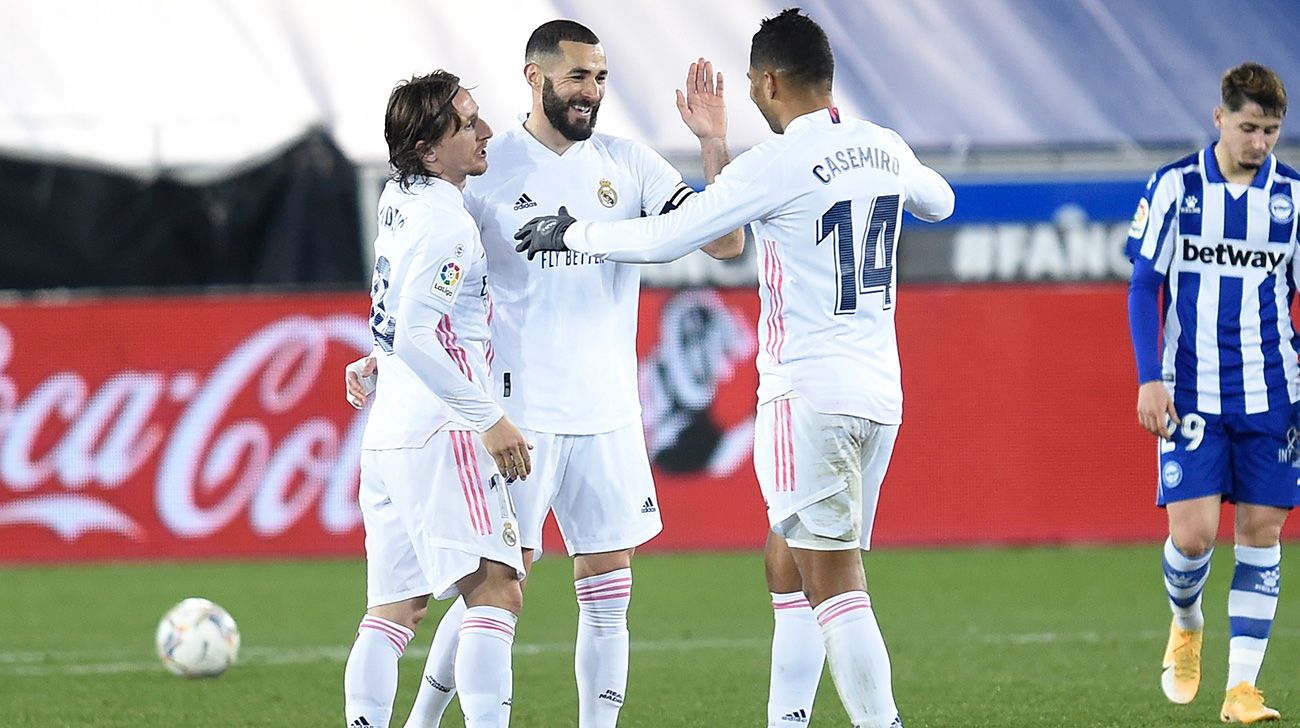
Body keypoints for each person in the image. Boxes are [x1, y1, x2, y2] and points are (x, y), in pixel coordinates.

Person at [514, 9, 954, 728]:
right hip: (880, 396)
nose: (752, 96)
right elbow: (940, 200)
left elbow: (674, 237)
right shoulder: (883, 145)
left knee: (835, 584)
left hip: (806, 395)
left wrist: (573, 232)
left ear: (772, 82)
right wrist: (719, 144)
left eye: (753, 85)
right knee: (787, 561)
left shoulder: (777, 163)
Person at [347, 20, 744, 727]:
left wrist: (714, 145)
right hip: (515, 412)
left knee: (609, 590)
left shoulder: (631, 163)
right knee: (493, 584)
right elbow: (423, 278)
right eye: (577, 78)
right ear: (535, 77)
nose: (591, 92)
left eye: (600, 78)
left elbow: (726, 238)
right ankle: (426, 720)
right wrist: (386, 352)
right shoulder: (484, 167)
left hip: (610, 411)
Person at [342, 70, 532, 728]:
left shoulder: (399, 196)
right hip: (444, 429)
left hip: (390, 432)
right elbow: (421, 331)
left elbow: (401, 314)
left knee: (394, 611)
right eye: (468, 123)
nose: (485, 133)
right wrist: (491, 419)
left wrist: (378, 356)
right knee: (497, 591)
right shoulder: (449, 224)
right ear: (427, 147)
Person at [1126, 61, 1297, 724]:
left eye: (1272, 131)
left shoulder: (1293, 199)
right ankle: (1186, 622)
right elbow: (1145, 284)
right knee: (1194, 538)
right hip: (1192, 392)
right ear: (1219, 116)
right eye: (1250, 127)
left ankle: (1242, 689)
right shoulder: (1177, 187)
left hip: (1272, 391)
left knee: (1261, 530)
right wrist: (1149, 376)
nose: (1260, 142)